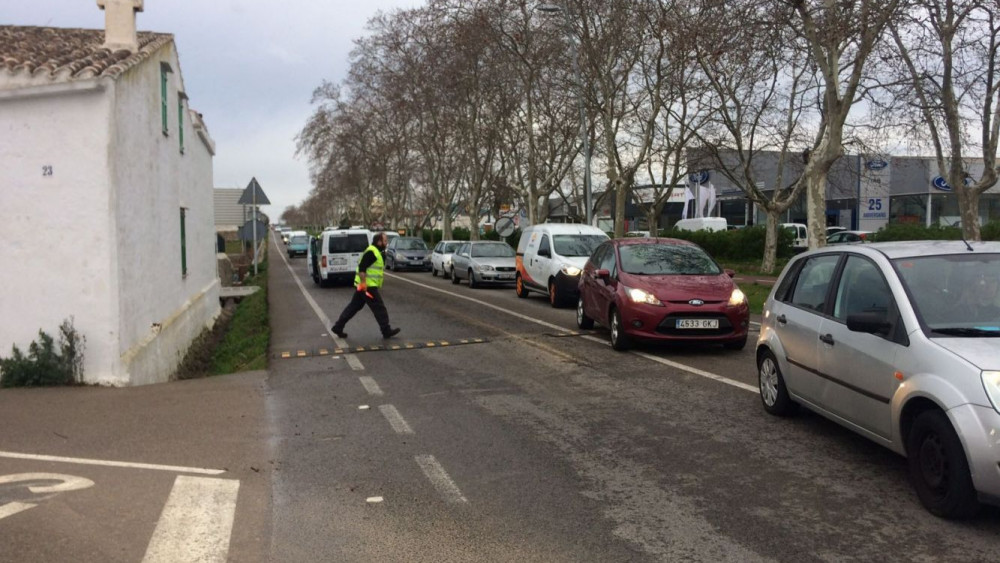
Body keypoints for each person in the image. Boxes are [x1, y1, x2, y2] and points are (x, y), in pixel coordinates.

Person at [331, 232, 401, 339]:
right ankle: (386, 330)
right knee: (379, 307)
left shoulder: (375, 251)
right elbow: (362, 268)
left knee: (354, 307)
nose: (387, 243)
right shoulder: (372, 252)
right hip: (367, 286)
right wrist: (364, 284)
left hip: (364, 285)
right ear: (379, 241)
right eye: (385, 241)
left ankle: (338, 326)